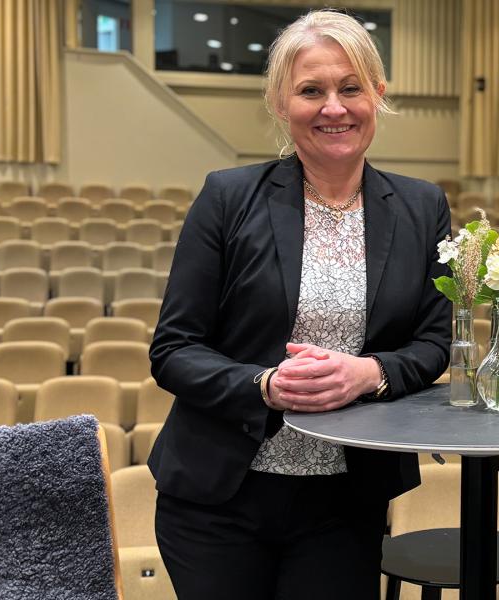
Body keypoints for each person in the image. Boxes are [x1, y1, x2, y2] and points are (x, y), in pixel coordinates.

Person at [147, 10, 451, 599]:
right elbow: (173, 350)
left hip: (343, 499)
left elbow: (433, 344)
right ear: (282, 105)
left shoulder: (422, 207)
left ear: (377, 96)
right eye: (311, 90)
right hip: (218, 498)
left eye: (350, 88)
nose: (333, 107)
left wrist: (369, 372)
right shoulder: (227, 197)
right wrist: (265, 387)